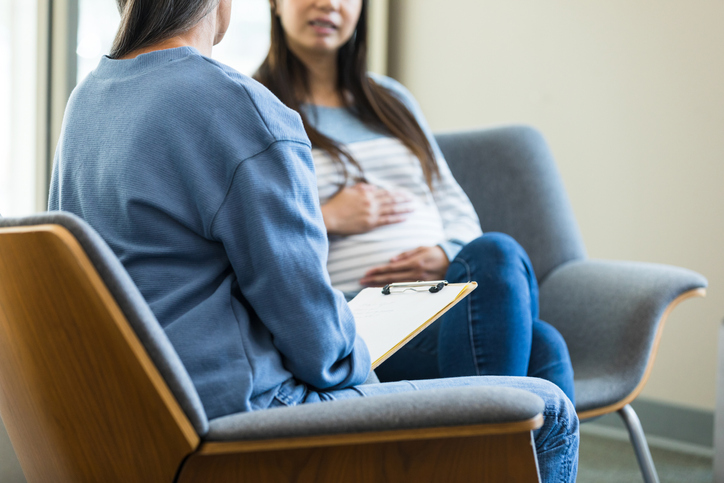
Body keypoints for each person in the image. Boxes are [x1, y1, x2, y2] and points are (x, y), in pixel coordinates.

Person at [48, 0, 578, 481]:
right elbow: (316, 341)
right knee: (548, 408)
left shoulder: (87, 102)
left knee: (542, 340)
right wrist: (373, 393)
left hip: (131, 411)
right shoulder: (240, 105)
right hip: (245, 413)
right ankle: (466, 453)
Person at [253, 0, 576, 403]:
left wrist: (445, 252)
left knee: (499, 260)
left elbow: (452, 203)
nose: (329, 4)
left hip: (439, 296)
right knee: (541, 341)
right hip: (355, 319)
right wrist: (328, 216)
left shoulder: (391, 100)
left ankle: (477, 459)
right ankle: (484, 459)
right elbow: (252, 233)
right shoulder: (256, 106)